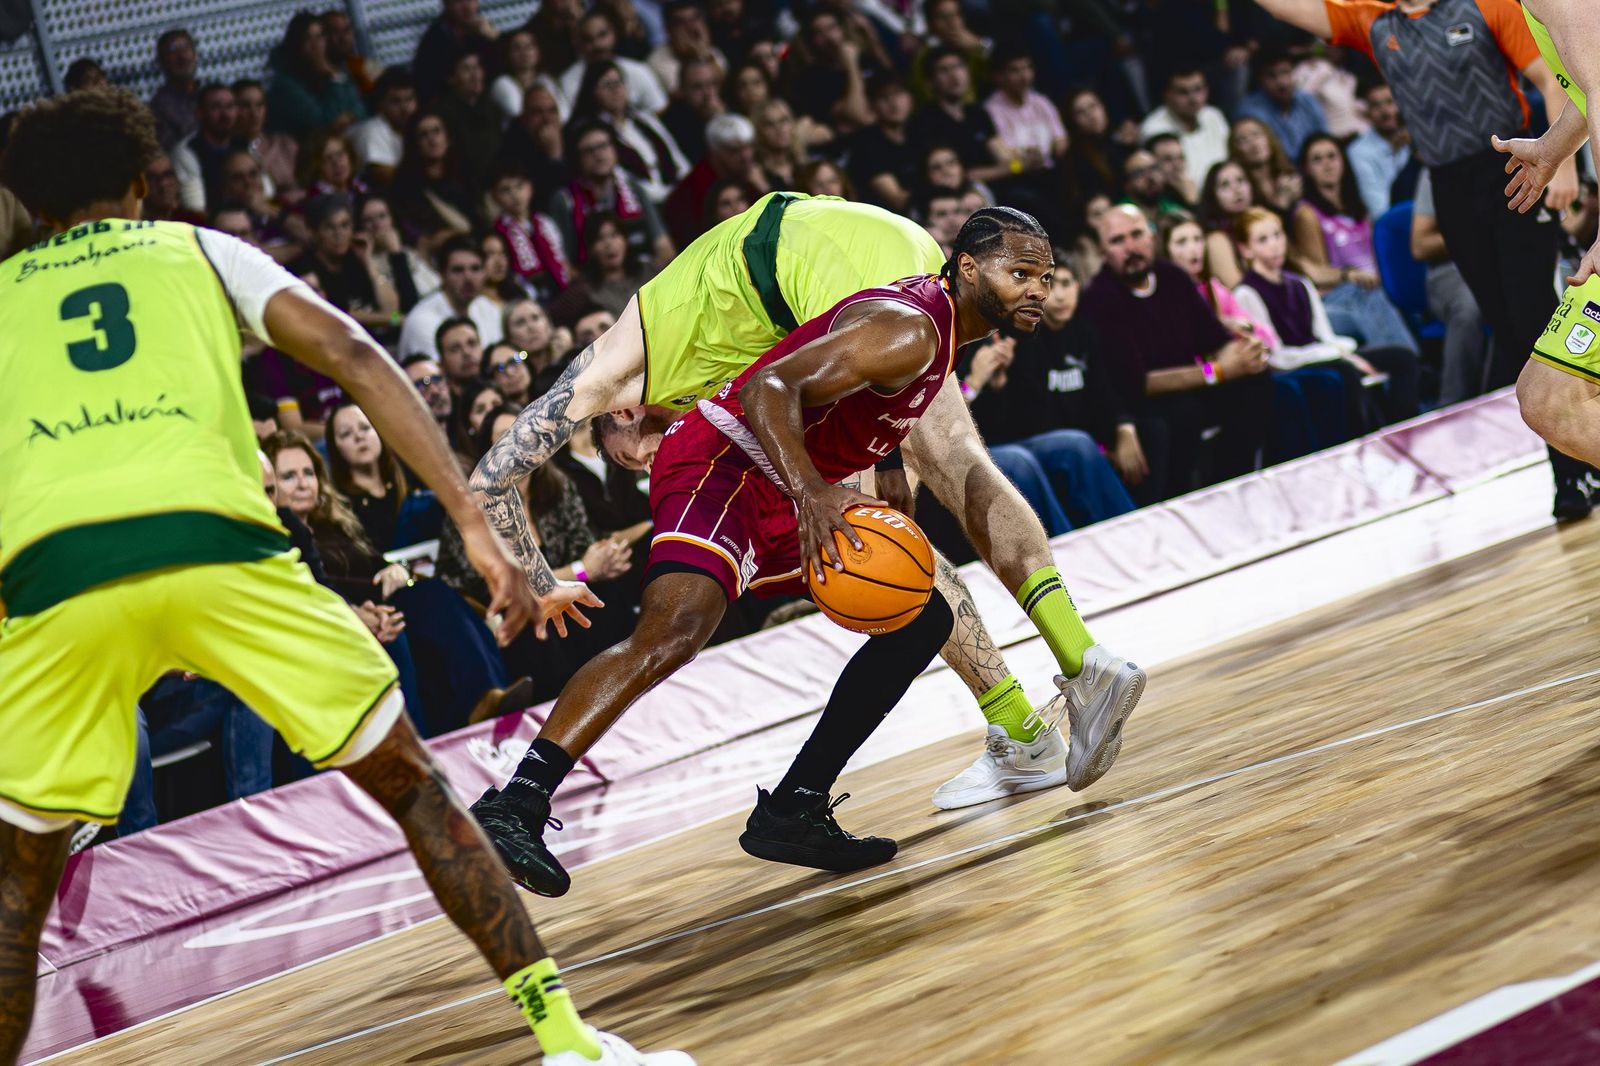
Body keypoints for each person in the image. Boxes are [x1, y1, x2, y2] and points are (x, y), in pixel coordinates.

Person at [0, 87, 690, 1066]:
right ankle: (568, 1041)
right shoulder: (196, 250)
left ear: (29, 204)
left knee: (16, 892)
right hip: (219, 554)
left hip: (56, 579)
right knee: (417, 793)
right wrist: (471, 519)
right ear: (143, 182)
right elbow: (354, 351)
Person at [473, 210, 1140, 897]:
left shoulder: (924, 331)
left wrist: (841, 479)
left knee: (924, 618)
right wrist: (815, 493)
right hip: (729, 459)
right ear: (967, 268)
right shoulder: (909, 325)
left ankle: (795, 804)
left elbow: (826, 398)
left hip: (782, 455)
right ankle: (515, 802)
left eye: (1045, 277)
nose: (1038, 290)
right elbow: (769, 389)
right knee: (671, 634)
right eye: (1020, 274)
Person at [1256, 0, 1588, 514]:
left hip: (1513, 167)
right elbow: (1288, 10)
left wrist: (1559, 157)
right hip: (1450, 189)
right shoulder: (1373, 18)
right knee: (1508, 329)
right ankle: (1569, 469)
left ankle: (1575, 474)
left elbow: (1551, 77)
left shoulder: (1484, 5)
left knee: (1533, 318)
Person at [1081, 204, 1276, 494]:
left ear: (1152, 237)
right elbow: (1138, 382)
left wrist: (1242, 358)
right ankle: (1195, 500)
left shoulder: (1172, 276)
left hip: (1193, 386)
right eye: (1117, 240)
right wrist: (1218, 371)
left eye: (1136, 234)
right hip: (1143, 402)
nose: (1131, 247)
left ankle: (1239, 482)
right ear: (1103, 252)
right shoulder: (1100, 297)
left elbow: (1215, 340)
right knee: (1184, 411)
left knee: (1256, 381)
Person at [962, 252, 1140, 530]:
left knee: (1080, 443)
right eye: (1050, 285)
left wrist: (1123, 429)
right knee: (1029, 459)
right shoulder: (1010, 336)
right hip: (997, 444)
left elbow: (1106, 392)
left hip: (1054, 437)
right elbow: (995, 422)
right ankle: (1061, 554)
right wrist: (984, 384)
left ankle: (1132, 532)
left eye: (1066, 283)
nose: (1058, 296)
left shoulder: (1085, 332)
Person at [1291, 133, 1422, 358]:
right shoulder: (1307, 213)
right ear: (1306, 169)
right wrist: (1352, 275)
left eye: (1332, 156)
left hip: (1375, 286)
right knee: (1369, 296)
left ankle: (1408, 366)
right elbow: (1318, 273)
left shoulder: (1358, 206)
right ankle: (1409, 364)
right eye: (1317, 159)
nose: (1327, 164)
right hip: (1340, 295)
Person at [1411, 169, 1491, 405]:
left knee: (1522, 296)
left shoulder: (1516, 153)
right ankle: (1453, 405)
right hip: (1452, 269)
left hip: (1502, 264)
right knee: (1470, 306)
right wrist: (1477, 234)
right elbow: (1420, 246)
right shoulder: (1437, 168)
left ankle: (1512, 394)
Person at [555, 120, 676, 267]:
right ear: (577, 158)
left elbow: (664, 246)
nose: (598, 155)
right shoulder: (565, 200)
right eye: (589, 150)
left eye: (603, 146)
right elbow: (565, 265)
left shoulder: (634, 188)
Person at [398, 234, 504, 358]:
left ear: (485, 272)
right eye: (458, 270)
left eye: (475, 269)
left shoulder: (488, 307)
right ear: (442, 275)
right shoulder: (421, 322)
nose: (468, 278)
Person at [265, 12, 365, 139]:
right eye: (308, 39)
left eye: (319, 37)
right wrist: (332, 78)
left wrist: (351, 116)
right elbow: (321, 122)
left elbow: (360, 108)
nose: (316, 45)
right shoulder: (286, 84)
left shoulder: (336, 69)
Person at [1138, 67, 1231, 190]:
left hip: (1225, 191)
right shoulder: (1153, 127)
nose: (1193, 99)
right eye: (1183, 92)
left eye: (1198, 89)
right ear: (1167, 95)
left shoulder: (1213, 115)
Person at [1235, 48, 1327, 161]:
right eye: (1271, 76)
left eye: (1285, 72)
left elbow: (1324, 141)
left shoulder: (1307, 100)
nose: (1282, 82)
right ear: (1260, 80)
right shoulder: (1250, 111)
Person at [171, 83, 241, 214]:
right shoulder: (186, 151)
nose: (225, 114)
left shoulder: (243, 145)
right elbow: (196, 209)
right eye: (216, 107)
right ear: (200, 113)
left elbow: (267, 192)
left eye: (230, 106)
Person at [1346, 81, 1410, 218]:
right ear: (1367, 112)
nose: (1385, 112)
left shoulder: (1414, 140)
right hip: (1393, 226)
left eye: (1390, 102)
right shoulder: (1359, 151)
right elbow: (1379, 209)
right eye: (1376, 105)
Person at [349, 69, 419, 186]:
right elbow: (384, 177)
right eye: (396, 101)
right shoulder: (371, 131)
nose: (405, 108)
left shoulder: (415, 127)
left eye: (409, 99)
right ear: (380, 104)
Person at [149, 29, 199, 152]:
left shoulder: (209, 95)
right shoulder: (160, 108)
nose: (182, 56)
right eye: (173, 51)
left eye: (186, 48)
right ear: (162, 61)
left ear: (195, 55)